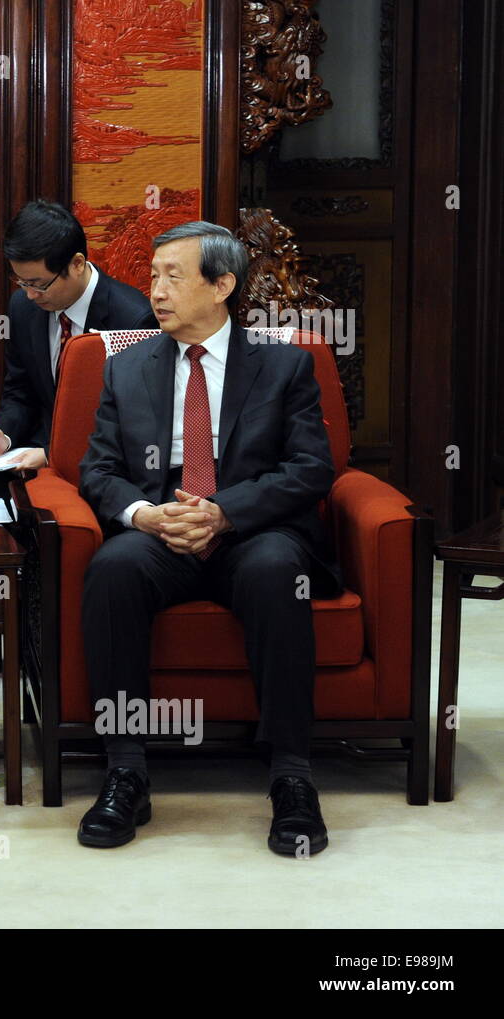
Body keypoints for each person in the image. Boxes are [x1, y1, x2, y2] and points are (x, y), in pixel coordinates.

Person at [76, 220, 341, 856]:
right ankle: (126, 769)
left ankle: (291, 775)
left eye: (174, 276)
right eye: (153, 275)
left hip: (253, 529)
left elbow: (312, 469)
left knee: (278, 570)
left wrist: (222, 512)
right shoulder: (127, 366)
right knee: (114, 568)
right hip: (162, 524)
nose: (156, 290)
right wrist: (144, 515)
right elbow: (97, 471)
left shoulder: (284, 365)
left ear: (222, 285)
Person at [0, 200, 156, 473]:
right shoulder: (23, 308)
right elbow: (20, 392)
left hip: (104, 467)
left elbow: (133, 421)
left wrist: (52, 455)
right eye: (21, 282)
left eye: (39, 284)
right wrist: (3, 435)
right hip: (29, 457)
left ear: (77, 264)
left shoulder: (133, 319)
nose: (30, 294)